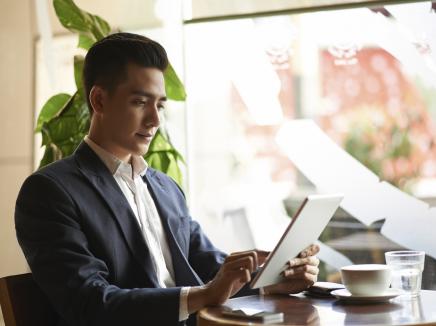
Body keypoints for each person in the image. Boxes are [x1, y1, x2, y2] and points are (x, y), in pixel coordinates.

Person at [15, 32, 320, 326]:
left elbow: (211, 268)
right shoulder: (51, 191)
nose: (155, 120)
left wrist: (273, 280)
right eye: (139, 102)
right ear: (99, 100)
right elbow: (90, 303)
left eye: (159, 104)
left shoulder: (165, 188)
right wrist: (205, 294)